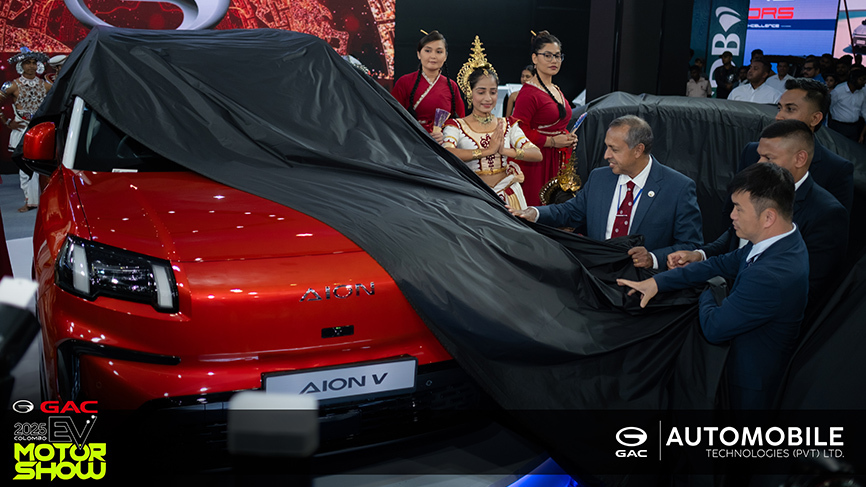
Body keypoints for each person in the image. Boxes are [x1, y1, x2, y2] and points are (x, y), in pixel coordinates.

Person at [619, 163, 808, 410]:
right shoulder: (779, 240)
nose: (732, 215)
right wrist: (657, 282)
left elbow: (714, 327)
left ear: (768, 217)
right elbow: (719, 264)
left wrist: (710, 288)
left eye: (739, 208)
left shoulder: (770, 276)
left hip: (746, 389)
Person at [669, 120, 847, 313]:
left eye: (769, 158)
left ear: (800, 159)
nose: (759, 164)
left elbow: (809, 290)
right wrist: (700, 255)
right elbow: (734, 238)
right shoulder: (757, 187)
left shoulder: (827, 214)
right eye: (759, 156)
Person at [510, 115, 703, 270]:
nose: (606, 155)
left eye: (614, 149)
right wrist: (534, 213)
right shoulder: (599, 178)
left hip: (644, 285)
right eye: (606, 147)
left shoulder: (678, 188)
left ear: (638, 150)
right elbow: (570, 211)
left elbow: (691, 246)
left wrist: (652, 258)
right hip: (597, 278)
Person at [443, 37, 541, 210]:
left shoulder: (507, 124)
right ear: (469, 93)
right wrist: (487, 151)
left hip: (508, 198)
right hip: (473, 197)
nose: (488, 98)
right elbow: (447, 153)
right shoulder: (456, 126)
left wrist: (505, 151)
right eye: (481, 92)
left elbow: (536, 154)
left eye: (493, 92)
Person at [740, 78, 854, 214]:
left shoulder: (836, 169)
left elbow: (834, 221)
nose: (779, 116)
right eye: (779, 108)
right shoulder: (752, 152)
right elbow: (732, 206)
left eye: (790, 109)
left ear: (815, 118)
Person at [512, 31, 576, 207]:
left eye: (557, 56)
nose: (554, 60)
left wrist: (568, 137)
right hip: (537, 161)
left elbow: (558, 124)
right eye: (547, 55)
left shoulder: (555, 88)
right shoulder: (528, 93)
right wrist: (552, 141)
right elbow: (518, 131)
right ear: (535, 58)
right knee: (538, 207)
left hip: (557, 159)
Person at [0, 48, 52, 212]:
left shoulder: (46, 86)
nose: (31, 66)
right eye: (27, 63)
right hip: (21, 129)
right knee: (24, 167)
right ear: (21, 66)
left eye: (34, 63)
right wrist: (7, 122)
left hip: (39, 130)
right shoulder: (12, 85)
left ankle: (39, 200)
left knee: (41, 166)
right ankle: (30, 201)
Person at [391, 30, 465, 143]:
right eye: (427, 51)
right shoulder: (404, 82)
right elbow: (392, 117)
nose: (433, 56)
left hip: (441, 145)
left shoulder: (452, 86)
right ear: (418, 54)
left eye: (439, 52)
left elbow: (460, 122)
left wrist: (445, 135)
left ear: (445, 56)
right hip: (409, 143)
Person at [828, 67, 866, 143]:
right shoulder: (838, 91)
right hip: (838, 126)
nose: (864, 82)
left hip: (854, 127)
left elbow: (864, 111)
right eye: (861, 79)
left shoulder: (862, 92)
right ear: (854, 79)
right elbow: (829, 106)